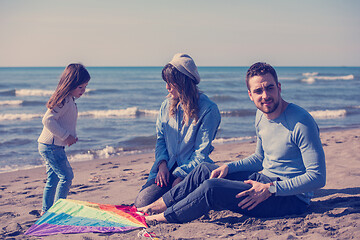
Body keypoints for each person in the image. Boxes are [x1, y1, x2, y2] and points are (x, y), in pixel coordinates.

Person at [138, 62, 326, 223]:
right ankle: (156, 206)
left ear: (279, 87)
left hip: (289, 198)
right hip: (265, 181)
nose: (265, 96)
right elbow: (260, 158)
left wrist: (271, 189)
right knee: (206, 169)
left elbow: (317, 177)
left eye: (269, 88)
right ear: (250, 95)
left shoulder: (302, 122)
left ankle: (161, 217)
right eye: (258, 91)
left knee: (212, 189)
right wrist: (228, 167)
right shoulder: (261, 114)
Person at [134, 53, 221, 208]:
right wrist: (161, 165)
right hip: (166, 168)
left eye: (171, 83)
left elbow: (201, 153)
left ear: (184, 82)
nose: (167, 87)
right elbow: (160, 139)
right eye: (166, 82)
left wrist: (180, 175)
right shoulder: (165, 106)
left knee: (176, 201)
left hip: (192, 171)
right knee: (142, 203)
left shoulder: (209, 110)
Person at [38, 63, 90, 215]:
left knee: (53, 178)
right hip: (51, 146)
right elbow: (47, 120)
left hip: (50, 145)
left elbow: (61, 120)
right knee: (66, 176)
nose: (83, 91)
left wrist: (69, 136)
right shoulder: (64, 100)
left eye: (85, 87)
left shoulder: (68, 99)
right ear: (71, 83)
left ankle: (46, 211)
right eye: (80, 87)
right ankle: (58, 212)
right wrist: (66, 136)